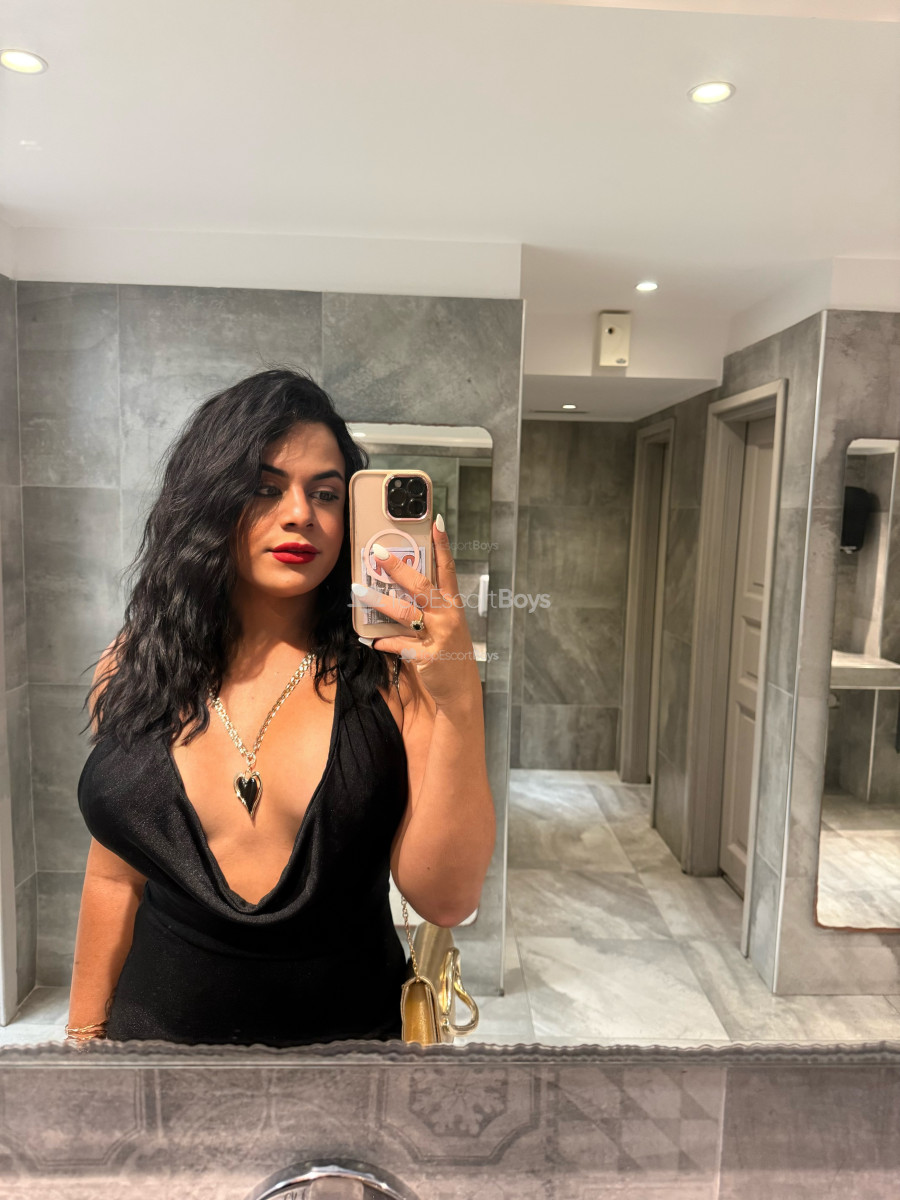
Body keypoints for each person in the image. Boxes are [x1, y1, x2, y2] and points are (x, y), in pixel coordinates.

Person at [66, 367, 495, 1047]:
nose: (301, 514)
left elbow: (445, 899)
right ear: (209, 500)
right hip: (151, 1061)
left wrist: (459, 696)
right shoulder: (133, 665)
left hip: (350, 1068)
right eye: (266, 488)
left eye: (326, 494)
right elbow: (115, 878)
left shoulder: (392, 681)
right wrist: (81, 1041)